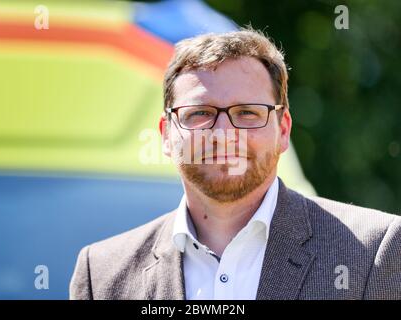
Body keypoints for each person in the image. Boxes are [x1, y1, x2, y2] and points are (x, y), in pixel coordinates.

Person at [70, 28, 401, 300]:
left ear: (283, 130)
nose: (224, 134)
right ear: (167, 135)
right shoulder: (102, 275)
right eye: (200, 113)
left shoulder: (371, 253)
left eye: (247, 113)